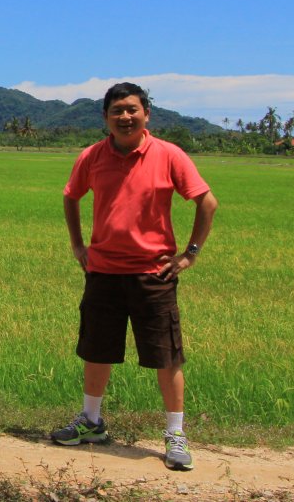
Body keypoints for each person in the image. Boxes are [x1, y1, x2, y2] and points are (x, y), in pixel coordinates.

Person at [51, 82, 218, 471]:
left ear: (147, 114)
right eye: (116, 111)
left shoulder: (169, 155)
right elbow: (71, 196)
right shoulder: (92, 156)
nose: (125, 117)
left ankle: (175, 434)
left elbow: (206, 202)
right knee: (97, 348)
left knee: (166, 355)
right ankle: (91, 422)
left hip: (152, 274)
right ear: (106, 118)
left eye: (132, 110)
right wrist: (79, 247)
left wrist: (190, 254)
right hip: (104, 272)